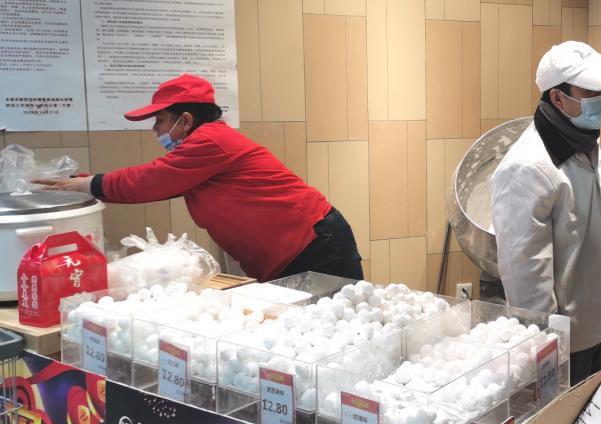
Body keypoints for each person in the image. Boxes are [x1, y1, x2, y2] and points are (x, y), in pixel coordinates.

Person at [34, 74, 363, 283]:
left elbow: (150, 180)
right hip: (293, 252)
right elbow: (153, 185)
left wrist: (87, 184)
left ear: (186, 120)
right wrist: (81, 182)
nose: (155, 130)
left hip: (315, 246)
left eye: (160, 120)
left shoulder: (211, 141)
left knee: (336, 338)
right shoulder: (202, 151)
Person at [490, 42, 601, 385]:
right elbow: (526, 274)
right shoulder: (526, 167)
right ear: (558, 98)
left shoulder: (586, 143)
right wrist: (549, 350)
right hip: (563, 345)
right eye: (591, 91)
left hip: (596, 328)